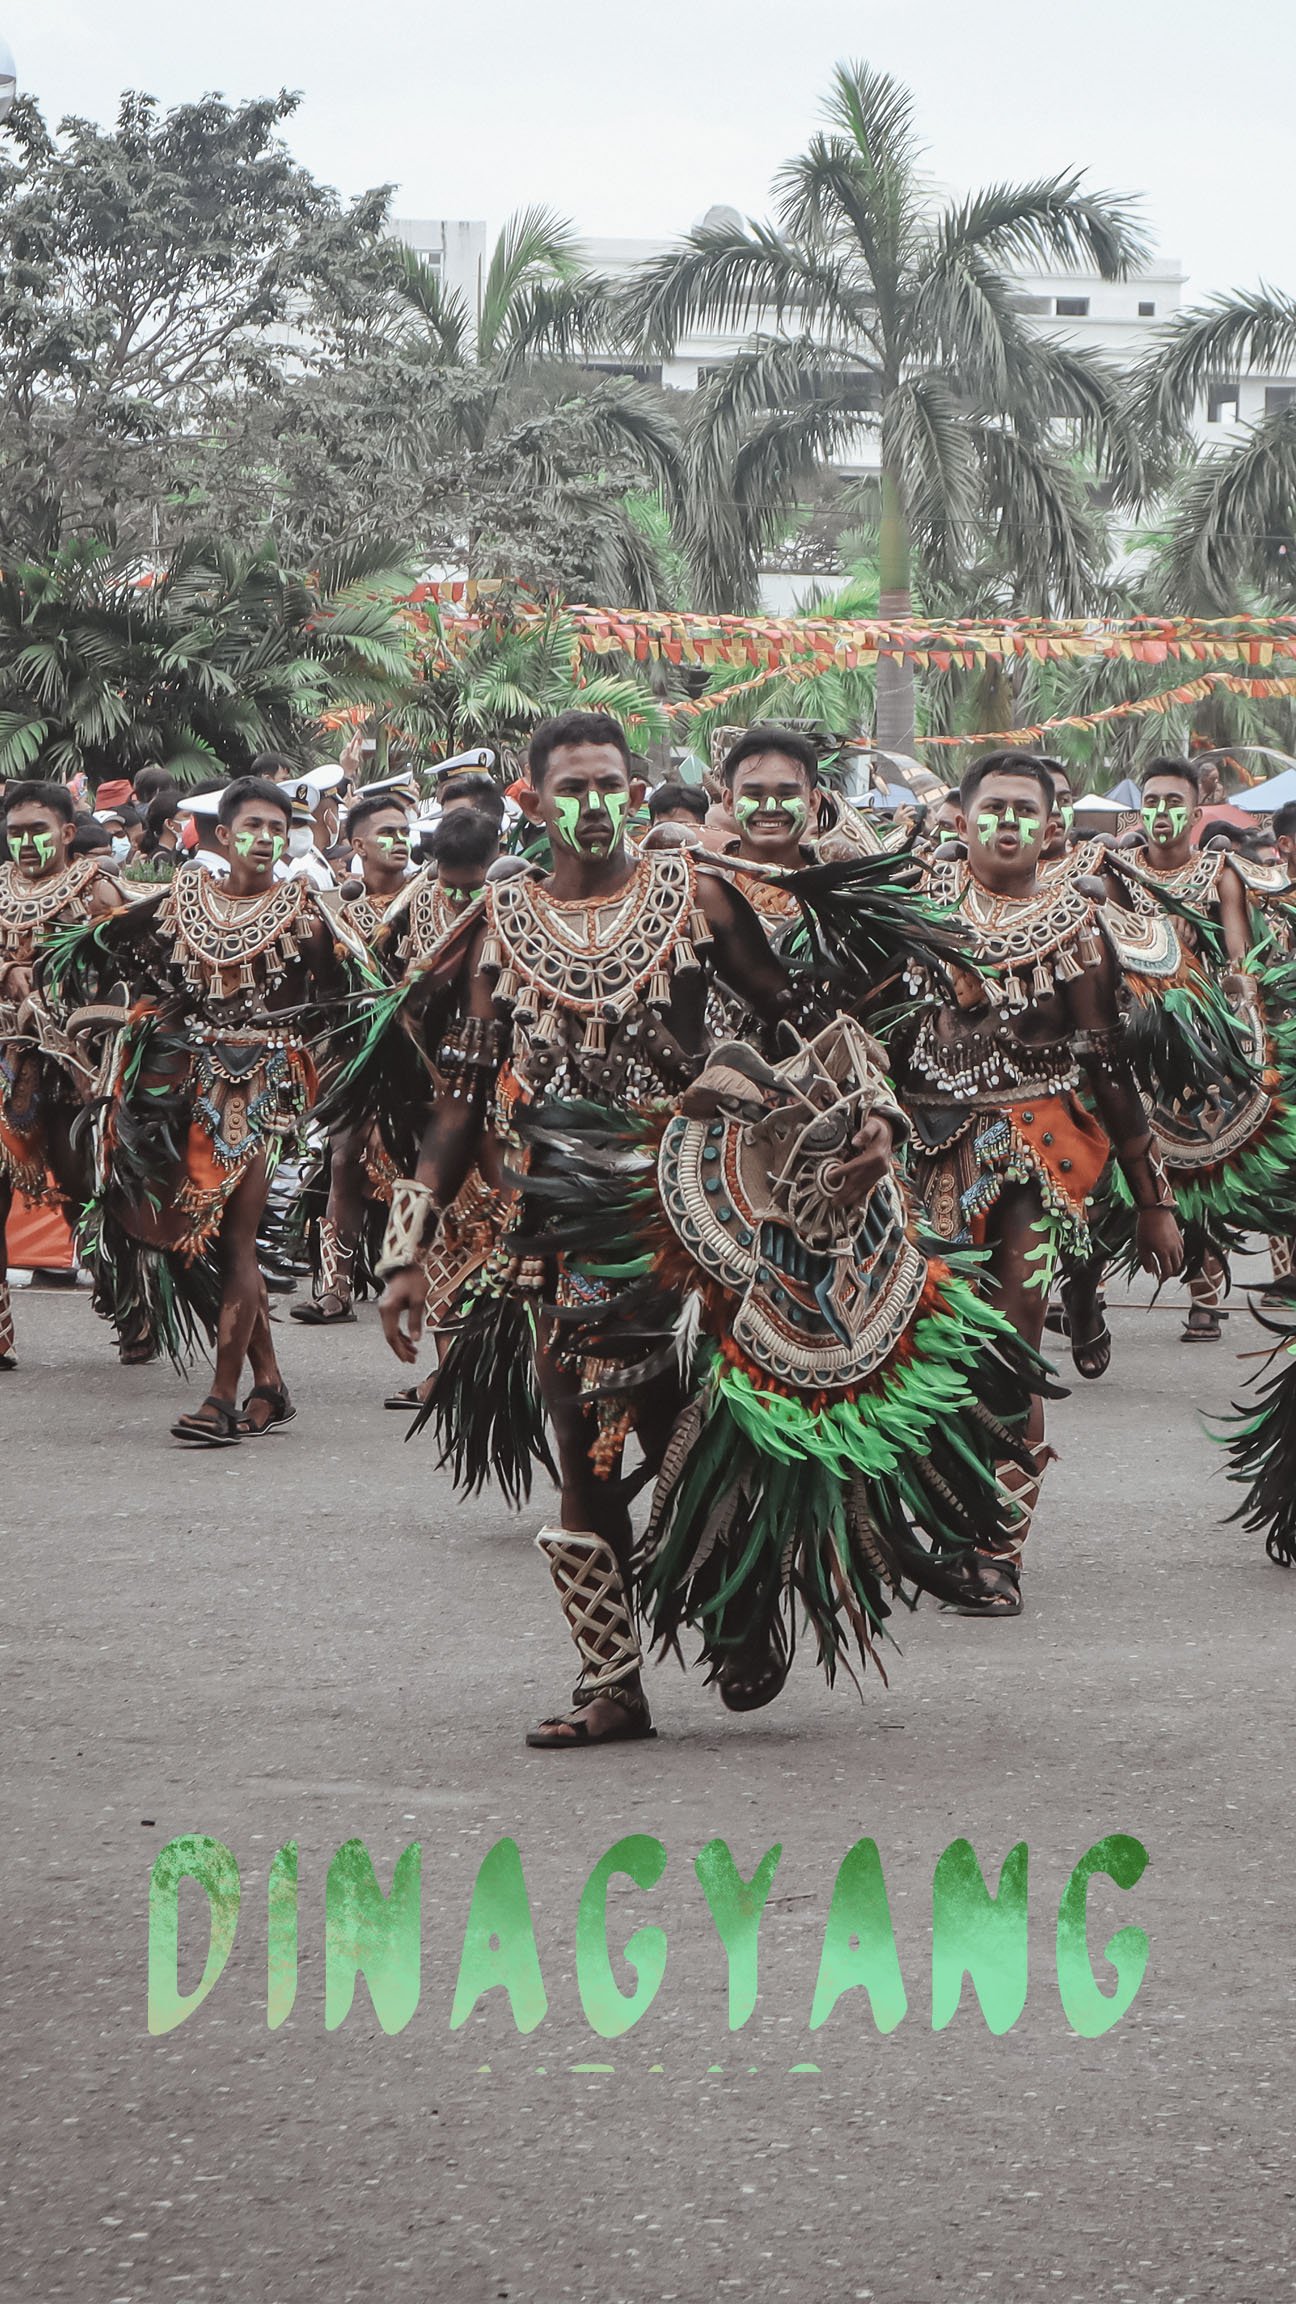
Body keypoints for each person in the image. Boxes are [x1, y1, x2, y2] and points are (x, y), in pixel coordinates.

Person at [376, 711, 1042, 1745]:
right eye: (571, 786)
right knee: (580, 1452)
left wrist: (870, 1111)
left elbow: (798, 1012)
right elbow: (458, 1103)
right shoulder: (500, 927)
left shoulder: (696, 895)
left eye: (609, 784)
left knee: (692, 1430)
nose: (592, 804)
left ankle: (736, 1609)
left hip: (689, 1215)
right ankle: (612, 1683)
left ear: (636, 792)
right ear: (533, 799)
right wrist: (404, 1253)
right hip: (555, 1222)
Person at [898, 751, 1184, 1613]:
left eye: (1027, 810)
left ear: (1052, 827)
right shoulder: (912, 917)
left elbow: (1109, 1071)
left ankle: (997, 1552)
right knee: (924, 1342)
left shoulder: (1077, 928)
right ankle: (945, 1523)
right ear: (960, 817)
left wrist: (1154, 1200)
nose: (1010, 824)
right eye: (995, 809)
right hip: (920, 1153)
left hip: (1033, 1155)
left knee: (1013, 1345)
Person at [47, 777, 354, 1439]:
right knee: (198, 1242)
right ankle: (269, 1382)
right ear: (222, 835)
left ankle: (221, 1398)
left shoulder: (306, 909)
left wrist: (312, 1067)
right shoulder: (185, 900)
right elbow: (128, 951)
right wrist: (140, 1026)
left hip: (264, 1094)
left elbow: (342, 1003)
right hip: (190, 1087)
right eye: (254, 826)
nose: (267, 839)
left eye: (278, 827)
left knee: (237, 1241)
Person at [1098, 756, 1296, 1341]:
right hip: (1132, 1035)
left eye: (1173, 802)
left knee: (1202, 1166)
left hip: (1203, 1042)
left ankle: (1205, 1291)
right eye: (1152, 802)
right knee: (1119, 1163)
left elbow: (1240, 960)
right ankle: (1089, 1287)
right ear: (1142, 811)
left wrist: (1240, 1021)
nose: (1162, 813)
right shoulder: (1116, 871)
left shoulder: (1221, 873)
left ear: (1194, 812)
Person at [0, 781, 128, 1368]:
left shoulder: (96, 890)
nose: (26, 843)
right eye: (15, 832)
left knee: (83, 1187)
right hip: (8, 1061)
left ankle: (126, 1296)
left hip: (74, 1066)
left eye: (38, 830)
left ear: (68, 833)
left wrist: (61, 983)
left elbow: (133, 964)